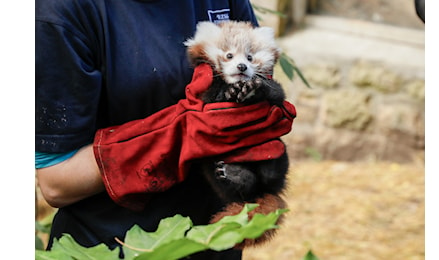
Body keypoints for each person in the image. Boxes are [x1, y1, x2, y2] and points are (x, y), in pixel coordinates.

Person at [36, 0, 294, 259]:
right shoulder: (62, 11)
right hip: (113, 246)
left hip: (213, 238)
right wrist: (179, 136)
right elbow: (57, 184)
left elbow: (259, 85)